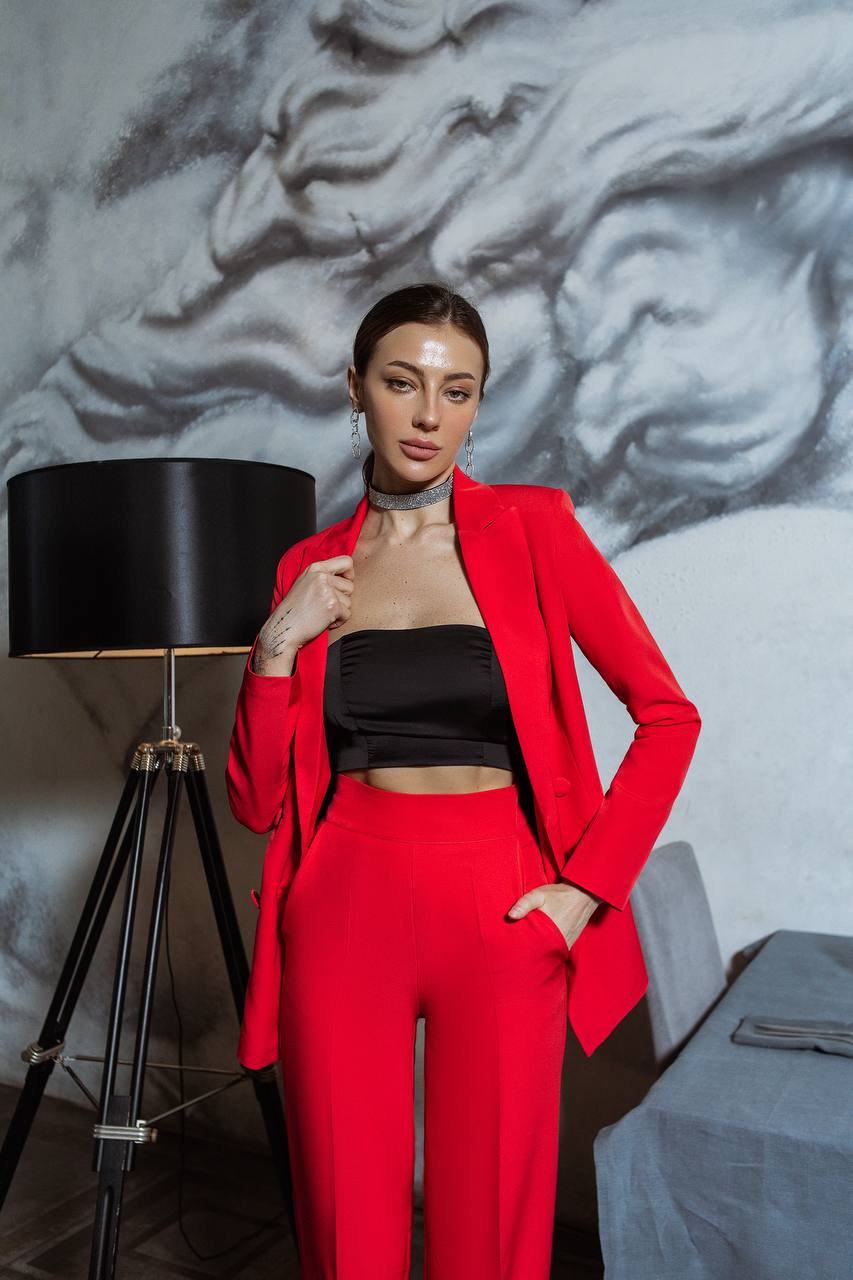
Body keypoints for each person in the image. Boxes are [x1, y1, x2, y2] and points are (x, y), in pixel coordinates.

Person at [225, 281, 702, 1279]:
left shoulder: (532, 529)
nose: (430, 415)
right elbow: (258, 800)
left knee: (488, 1232)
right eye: (403, 383)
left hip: (501, 896)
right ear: (356, 388)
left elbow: (667, 715)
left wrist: (583, 890)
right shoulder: (309, 568)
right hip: (343, 896)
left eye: (459, 390)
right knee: (344, 1223)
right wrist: (274, 650)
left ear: (479, 401)